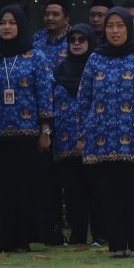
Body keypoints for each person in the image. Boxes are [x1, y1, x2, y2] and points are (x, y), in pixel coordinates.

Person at [77, 7, 134, 258]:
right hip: (103, 139)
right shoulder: (96, 58)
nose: (115, 31)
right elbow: (84, 98)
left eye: (120, 26)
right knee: (109, 196)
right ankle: (116, 245)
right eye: (110, 26)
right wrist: (82, 134)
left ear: (130, 28)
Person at [0, 5, 53, 252]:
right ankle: (2, 238)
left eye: (12, 22)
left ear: (21, 26)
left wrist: (45, 130)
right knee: (1, 189)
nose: (6, 27)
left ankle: (24, 238)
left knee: (25, 187)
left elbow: (44, 93)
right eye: (3, 22)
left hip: (28, 133)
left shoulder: (35, 56)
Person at [49, 25, 94, 245]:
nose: (76, 43)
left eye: (81, 39)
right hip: (64, 142)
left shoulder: (96, 68)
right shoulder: (59, 71)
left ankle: (100, 233)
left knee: (95, 190)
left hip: (92, 141)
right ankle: (78, 234)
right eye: (72, 40)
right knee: (73, 191)